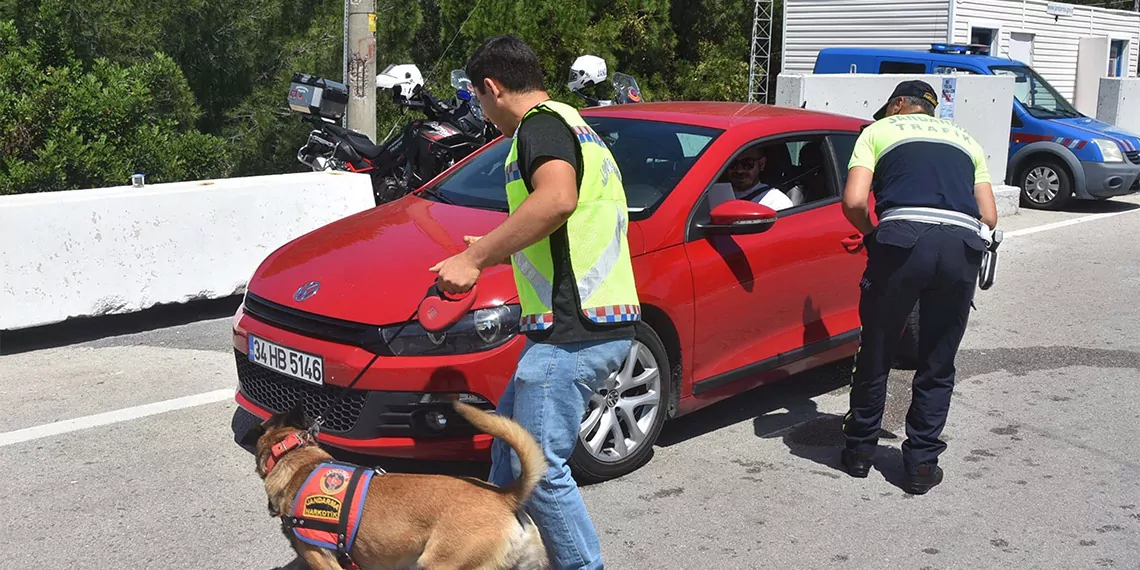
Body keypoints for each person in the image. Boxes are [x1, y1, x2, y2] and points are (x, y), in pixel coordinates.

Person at [429, 35, 640, 569]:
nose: (482, 109)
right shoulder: (575, 124)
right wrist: (493, 248)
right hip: (587, 322)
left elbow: (557, 199)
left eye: (478, 98)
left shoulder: (539, 127)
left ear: (492, 88)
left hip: (574, 330)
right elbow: (564, 229)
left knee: (538, 469)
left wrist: (474, 263)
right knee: (505, 450)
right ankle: (490, 553)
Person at [839, 80, 998, 495]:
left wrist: (873, 235)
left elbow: (854, 201)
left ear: (897, 106)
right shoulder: (967, 139)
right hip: (962, 245)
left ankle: (858, 453)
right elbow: (990, 215)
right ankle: (921, 466)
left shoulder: (876, 132)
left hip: (903, 240)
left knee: (876, 348)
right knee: (937, 360)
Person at [724, 146, 800, 210]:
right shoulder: (713, 193)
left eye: (747, 164)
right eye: (733, 164)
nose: (739, 171)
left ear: (761, 164)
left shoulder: (777, 202)